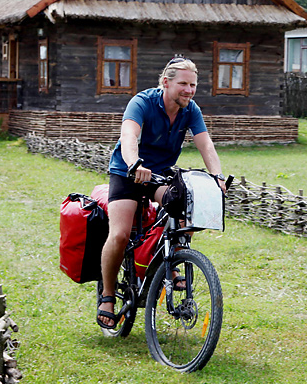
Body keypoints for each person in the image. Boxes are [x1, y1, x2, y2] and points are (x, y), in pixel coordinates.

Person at [97, 57, 226, 329]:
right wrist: (134, 163)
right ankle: (108, 295)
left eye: (193, 85)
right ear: (166, 82)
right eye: (183, 84)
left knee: (188, 204)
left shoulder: (190, 110)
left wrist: (217, 176)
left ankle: (174, 257)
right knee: (120, 234)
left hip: (160, 173)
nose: (189, 90)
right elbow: (129, 136)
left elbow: (206, 144)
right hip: (128, 171)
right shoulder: (142, 102)